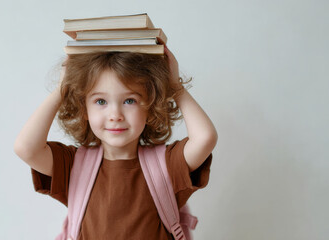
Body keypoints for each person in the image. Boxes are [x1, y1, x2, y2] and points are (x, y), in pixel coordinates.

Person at [14, 46, 218, 240]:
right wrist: (62, 89)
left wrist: (175, 87)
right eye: (101, 101)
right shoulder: (73, 165)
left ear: (150, 106)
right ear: (84, 108)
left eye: (129, 101)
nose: (115, 115)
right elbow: (26, 148)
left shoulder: (166, 164)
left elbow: (205, 138)